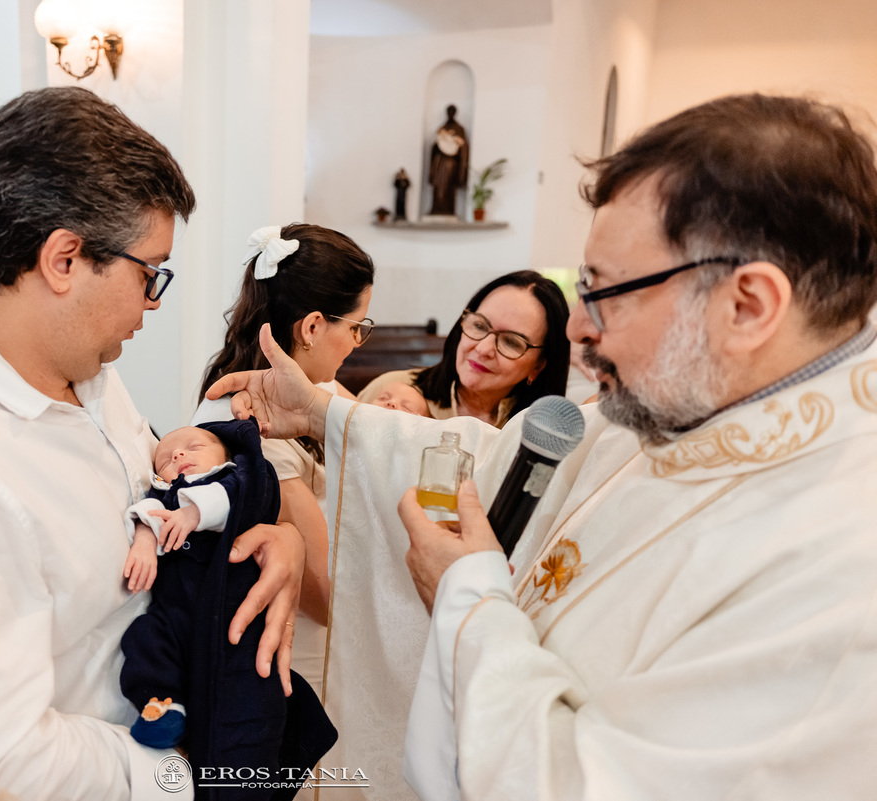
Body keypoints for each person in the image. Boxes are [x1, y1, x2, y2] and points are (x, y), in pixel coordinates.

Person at [208, 93, 877, 800]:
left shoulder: (839, 568)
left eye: (606, 290)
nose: (580, 328)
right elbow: (504, 460)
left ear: (747, 306)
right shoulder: (685, 405)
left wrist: (466, 597)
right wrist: (324, 414)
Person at [0, 87, 304, 801]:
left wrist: (272, 535)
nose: (151, 304)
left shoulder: (90, 377)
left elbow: (163, 509)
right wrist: (187, 772)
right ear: (64, 258)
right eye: (148, 273)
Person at [193, 223, 375, 697]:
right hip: (303, 662)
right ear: (313, 326)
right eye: (356, 326)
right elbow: (321, 594)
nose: (358, 342)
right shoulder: (246, 419)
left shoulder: (323, 389)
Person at [119, 419, 336, 797]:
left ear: (225, 457)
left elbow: (236, 496)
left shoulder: (237, 480)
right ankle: (162, 704)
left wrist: (191, 514)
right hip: (176, 616)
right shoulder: (166, 494)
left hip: (232, 617)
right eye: (167, 458)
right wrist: (141, 541)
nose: (179, 455)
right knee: (143, 639)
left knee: (246, 700)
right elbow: (147, 511)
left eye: (193, 447)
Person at [357, 270, 570, 427]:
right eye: (479, 326)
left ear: (538, 367)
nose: (484, 348)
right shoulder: (391, 392)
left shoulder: (539, 432)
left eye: (511, 342)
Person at [427, 104, 469, 218]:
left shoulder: (459, 129)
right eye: (448, 111)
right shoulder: (442, 128)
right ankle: (436, 209)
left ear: (455, 113)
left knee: (447, 187)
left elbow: (463, 149)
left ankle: (447, 210)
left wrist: (462, 171)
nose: (450, 114)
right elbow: (435, 146)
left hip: (451, 163)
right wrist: (438, 144)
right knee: (438, 187)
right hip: (439, 162)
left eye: (452, 111)